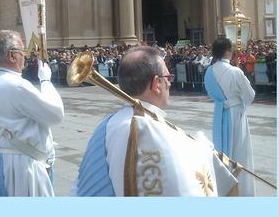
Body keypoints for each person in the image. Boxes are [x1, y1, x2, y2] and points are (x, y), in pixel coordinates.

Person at [73, 46, 236, 196]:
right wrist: (203, 148)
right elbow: (186, 182)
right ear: (156, 83)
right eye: (168, 77)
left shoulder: (109, 123)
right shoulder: (145, 129)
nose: (170, 82)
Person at [0, 30, 64, 196]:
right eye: (22, 51)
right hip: (24, 167)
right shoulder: (15, 84)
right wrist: (46, 80)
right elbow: (56, 114)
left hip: (6, 161)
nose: (25, 55)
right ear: (12, 55)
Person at [204, 37, 256, 196]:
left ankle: (224, 188)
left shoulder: (209, 71)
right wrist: (239, 102)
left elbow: (211, 93)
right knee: (240, 153)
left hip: (220, 114)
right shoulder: (235, 71)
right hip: (236, 115)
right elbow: (250, 95)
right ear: (228, 51)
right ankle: (242, 192)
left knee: (223, 153)